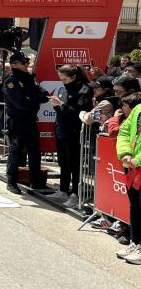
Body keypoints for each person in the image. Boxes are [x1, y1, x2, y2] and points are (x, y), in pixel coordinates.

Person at [2, 52, 49, 194]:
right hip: (18, 121)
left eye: (27, 63)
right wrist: (34, 99)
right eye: (24, 63)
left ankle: (37, 181)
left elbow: (44, 94)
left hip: (30, 120)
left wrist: (32, 98)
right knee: (16, 151)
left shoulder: (29, 79)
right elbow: (20, 102)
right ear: (15, 64)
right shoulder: (11, 81)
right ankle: (11, 181)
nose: (26, 65)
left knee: (34, 150)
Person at [48, 65, 93, 208]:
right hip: (61, 129)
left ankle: (75, 194)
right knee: (63, 162)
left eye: (65, 79)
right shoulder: (62, 89)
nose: (62, 81)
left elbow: (79, 113)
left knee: (74, 164)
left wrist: (61, 105)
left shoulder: (84, 90)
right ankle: (63, 190)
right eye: (60, 78)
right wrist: (56, 105)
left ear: (73, 77)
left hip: (74, 132)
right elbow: (61, 110)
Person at [116, 97, 141, 264]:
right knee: (135, 206)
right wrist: (125, 153)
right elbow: (124, 131)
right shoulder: (138, 108)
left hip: (137, 164)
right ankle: (136, 242)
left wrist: (138, 159)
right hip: (133, 167)